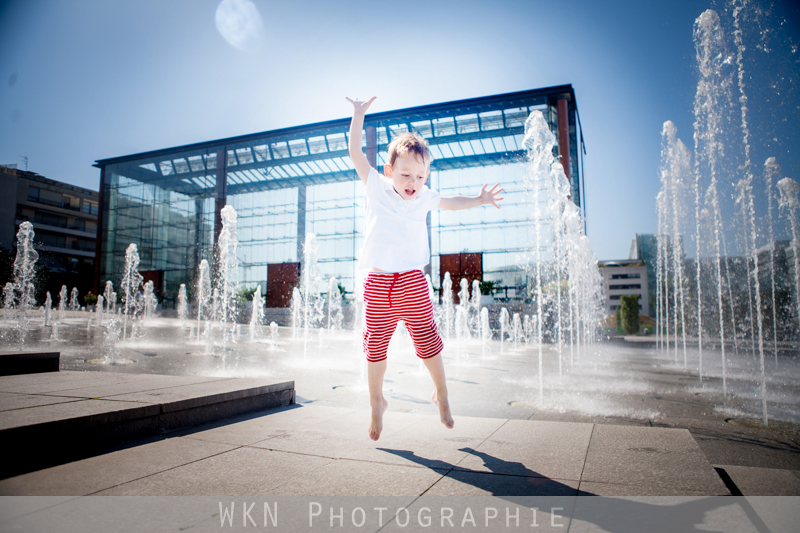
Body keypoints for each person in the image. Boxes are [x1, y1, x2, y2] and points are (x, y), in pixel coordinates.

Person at [347, 96, 504, 441]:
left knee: (427, 342)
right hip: (377, 282)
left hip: (412, 282)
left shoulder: (425, 197)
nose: (412, 182)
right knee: (374, 347)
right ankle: (377, 402)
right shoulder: (376, 187)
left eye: (420, 176)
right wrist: (359, 115)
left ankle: (442, 394)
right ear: (389, 172)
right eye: (405, 174)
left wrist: (479, 200)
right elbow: (356, 154)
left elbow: (452, 202)